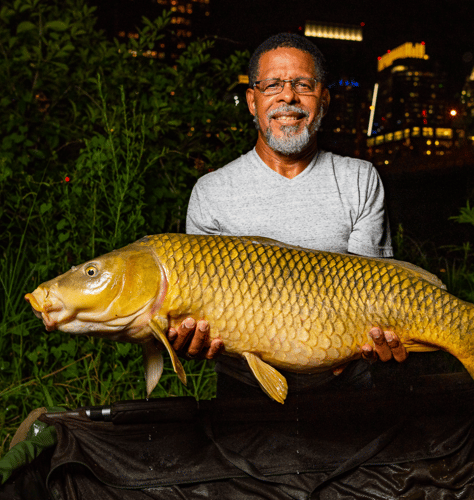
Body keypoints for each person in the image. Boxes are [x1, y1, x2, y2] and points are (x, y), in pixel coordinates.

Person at [166, 33, 407, 395]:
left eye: (303, 85)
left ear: (323, 99)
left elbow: (374, 298)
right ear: (252, 100)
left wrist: (382, 339)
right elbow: (198, 318)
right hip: (245, 401)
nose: (288, 96)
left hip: (348, 398)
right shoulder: (211, 193)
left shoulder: (359, 178)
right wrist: (185, 341)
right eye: (273, 85)